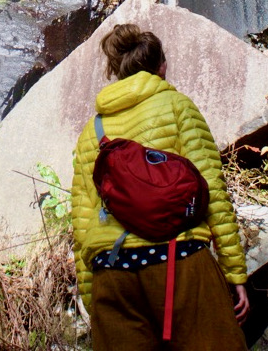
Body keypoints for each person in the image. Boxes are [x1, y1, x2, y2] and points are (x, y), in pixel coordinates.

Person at [71, 23, 250, 350]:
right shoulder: (177, 107)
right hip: (177, 261)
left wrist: (91, 295)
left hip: (113, 273)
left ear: (116, 69)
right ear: (161, 66)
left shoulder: (91, 132)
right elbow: (213, 192)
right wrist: (234, 271)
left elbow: (83, 222)